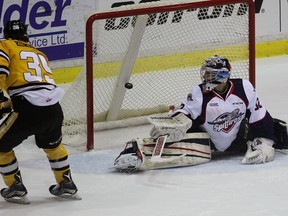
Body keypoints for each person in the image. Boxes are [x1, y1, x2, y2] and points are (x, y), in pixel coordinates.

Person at [114, 55, 288, 172]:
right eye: (205, 73)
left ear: (222, 75)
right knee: (178, 143)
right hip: (208, 141)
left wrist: (265, 141)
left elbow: (258, 115)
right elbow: (185, 111)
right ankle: (134, 150)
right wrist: (177, 122)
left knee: (278, 131)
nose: (205, 77)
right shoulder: (198, 92)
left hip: (239, 138)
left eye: (209, 74)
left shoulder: (244, 87)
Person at [0, 20, 80, 204]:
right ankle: (66, 183)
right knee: (53, 146)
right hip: (54, 109)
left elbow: (1, 71)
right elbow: (36, 88)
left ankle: (15, 187)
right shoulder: (39, 53)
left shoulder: (4, 45)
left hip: (28, 109)